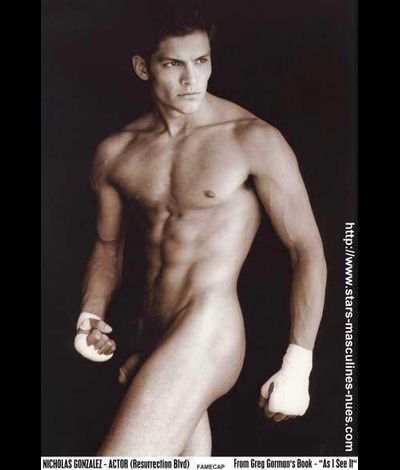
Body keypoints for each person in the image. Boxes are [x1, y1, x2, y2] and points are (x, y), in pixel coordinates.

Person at [73, 3, 327, 456]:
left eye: (202, 61)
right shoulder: (116, 153)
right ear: (143, 67)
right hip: (153, 336)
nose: (192, 79)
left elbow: (306, 248)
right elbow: (108, 246)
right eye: (174, 64)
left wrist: (299, 362)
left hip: (209, 329)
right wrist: (90, 316)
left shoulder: (251, 139)